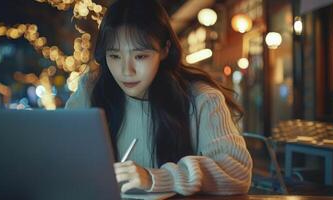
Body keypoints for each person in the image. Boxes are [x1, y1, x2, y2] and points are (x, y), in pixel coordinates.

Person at [66, 0, 252, 196]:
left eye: (140, 56)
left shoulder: (201, 98)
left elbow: (238, 171)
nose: (126, 71)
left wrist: (157, 178)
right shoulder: (90, 92)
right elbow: (60, 157)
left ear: (164, 50)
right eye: (115, 56)